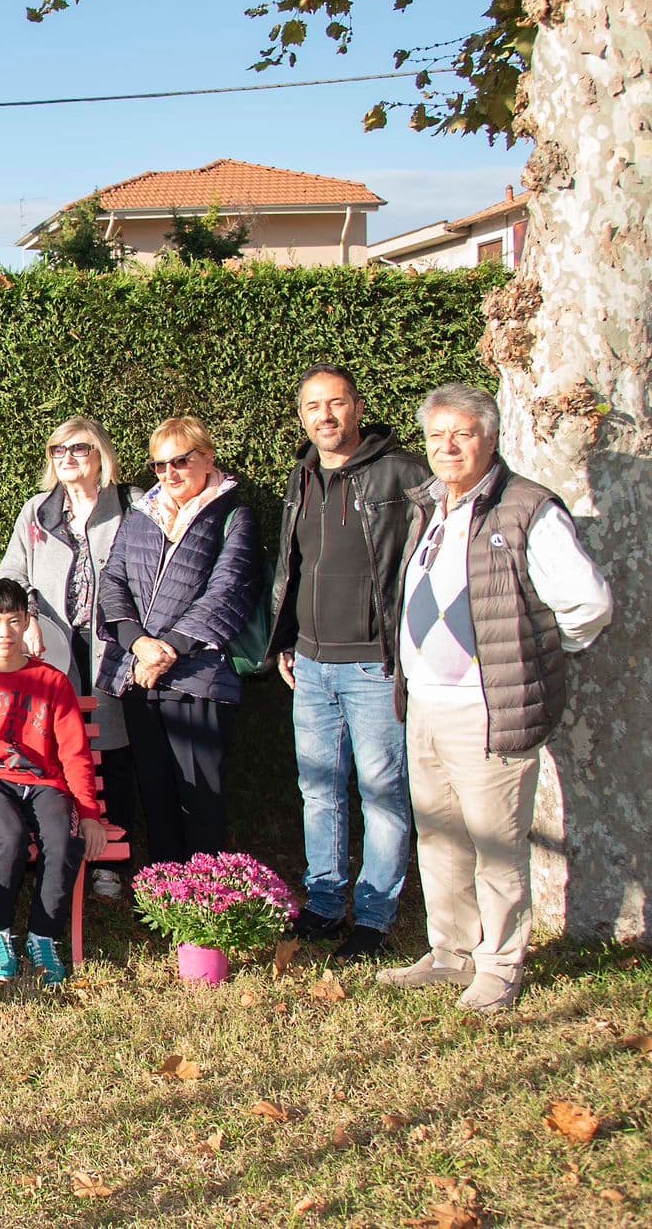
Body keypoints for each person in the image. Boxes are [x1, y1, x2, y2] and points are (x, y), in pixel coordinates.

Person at [378, 384, 611, 1013]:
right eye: (436, 436)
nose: (447, 447)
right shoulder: (430, 505)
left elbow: (588, 605)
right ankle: (452, 953)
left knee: (496, 845)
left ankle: (500, 964)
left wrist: (536, 652)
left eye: (463, 434)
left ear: (491, 438)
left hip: (489, 708)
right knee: (440, 838)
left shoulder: (527, 509)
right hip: (424, 704)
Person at [265, 366, 432, 962]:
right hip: (309, 665)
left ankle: (375, 916)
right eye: (313, 406)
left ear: (358, 408)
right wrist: (286, 640)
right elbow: (294, 567)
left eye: (336, 404)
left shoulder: (404, 473)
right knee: (319, 790)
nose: (325, 416)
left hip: (374, 666)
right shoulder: (302, 474)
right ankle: (325, 903)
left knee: (383, 793)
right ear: (302, 415)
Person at [96, 417, 261, 865]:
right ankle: (167, 894)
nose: (170, 474)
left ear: (207, 457)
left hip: (199, 678)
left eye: (181, 461)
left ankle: (206, 896)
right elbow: (112, 580)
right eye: (159, 465)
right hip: (139, 675)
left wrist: (165, 649)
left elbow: (228, 591)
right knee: (157, 791)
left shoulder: (233, 514)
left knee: (200, 794)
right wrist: (137, 644)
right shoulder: (141, 514)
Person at [0, 414, 140, 901]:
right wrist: (28, 612)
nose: (68, 459)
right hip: (51, 649)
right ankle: (55, 845)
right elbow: (10, 572)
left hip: (113, 648)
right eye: (59, 451)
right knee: (53, 748)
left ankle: (109, 859)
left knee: (111, 750)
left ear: (102, 454)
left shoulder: (132, 506)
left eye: (79, 449)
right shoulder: (38, 511)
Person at [0, 577, 108, 988]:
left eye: (13, 622)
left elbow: (74, 753)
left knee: (62, 840)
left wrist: (89, 813)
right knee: (9, 839)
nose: (4, 633)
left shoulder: (51, 682)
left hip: (46, 783)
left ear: (25, 622)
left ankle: (43, 936)